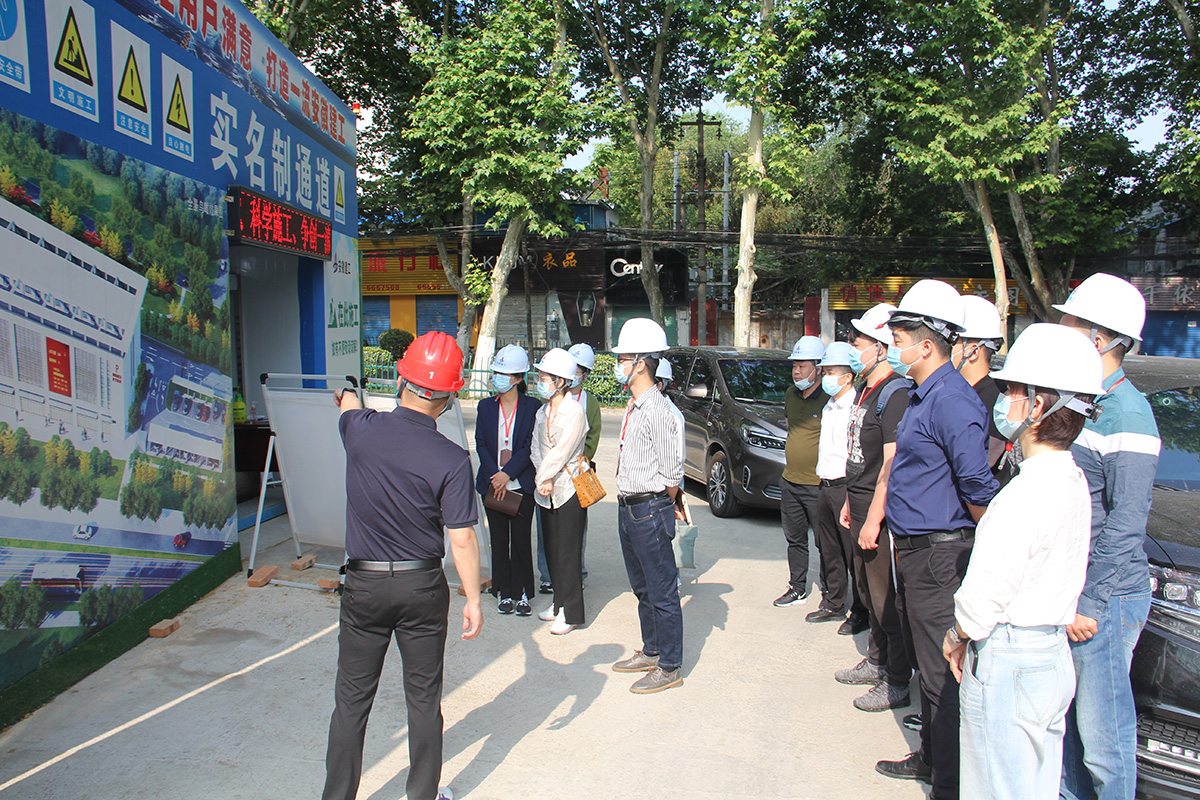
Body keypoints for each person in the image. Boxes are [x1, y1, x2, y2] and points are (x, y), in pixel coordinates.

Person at [944, 323, 1102, 800]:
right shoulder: (1072, 480)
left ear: (1037, 406)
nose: (1004, 399)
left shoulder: (1025, 492)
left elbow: (988, 590)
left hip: (1010, 659)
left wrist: (957, 636)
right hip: (1050, 657)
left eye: (1012, 390)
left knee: (996, 789)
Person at [322, 331, 482, 800]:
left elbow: (348, 406)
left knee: (351, 702)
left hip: (365, 586)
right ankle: (423, 794)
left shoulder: (360, 430)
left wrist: (347, 394)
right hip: (422, 588)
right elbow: (462, 539)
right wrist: (473, 599)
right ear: (449, 399)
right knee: (424, 699)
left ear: (399, 380)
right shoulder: (453, 458)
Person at [876, 280, 999, 798]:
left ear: (927, 345)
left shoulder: (952, 401)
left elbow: (977, 487)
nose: (894, 348)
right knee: (929, 671)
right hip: (915, 554)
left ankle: (948, 784)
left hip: (939, 556)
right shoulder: (924, 394)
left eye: (900, 339)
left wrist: (990, 549)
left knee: (941, 675)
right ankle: (931, 758)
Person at [1054, 273, 1161, 800]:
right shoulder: (1084, 401)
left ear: (1098, 339)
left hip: (1107, 597)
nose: (1061, 331)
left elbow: (1126, 522)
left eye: (1069, 323)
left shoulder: (1128, 413)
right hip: (1076, 590)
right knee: (1069, 735)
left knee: (1103, 740)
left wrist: (1090, 602)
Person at [835, 303, 913, 713]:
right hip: (860, 500)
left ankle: (896, 679)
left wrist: (874, 518)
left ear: (881, 347)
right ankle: (876, 659)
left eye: (858, 341)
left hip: (877, 509)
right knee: (865, 590)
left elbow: (890, 463)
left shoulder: (895, 393)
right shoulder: (868, 388)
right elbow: (859, 454)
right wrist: (851, 500)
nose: (852, 348)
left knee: (884, 597)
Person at [609, 318, 686, 694]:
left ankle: (669, 666)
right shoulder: (635, 405)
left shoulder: (658, 410)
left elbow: (672, 476)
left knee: (662, 590)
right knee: (642, 587)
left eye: (623, 359)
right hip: (628, 507)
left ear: (641, 363)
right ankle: (652, 649)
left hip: (649, 508)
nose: (618, 365)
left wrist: (657, 507)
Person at [806, 341, 869, 632]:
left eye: (831, 372)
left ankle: (861, 610)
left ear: (848, 376)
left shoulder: (855, 407)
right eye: (825, 371)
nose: (826, 377)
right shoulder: (829, 405)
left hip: (846, 486)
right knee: (829, 547)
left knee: (852, 553)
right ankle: (833, 602)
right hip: (825, 484)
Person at [475, 344, 540, 616]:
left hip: (520, 484)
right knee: (499, 540)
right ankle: (502, 590)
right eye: (495, 373)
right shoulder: (485, 406)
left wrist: (507, 473)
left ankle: (522, 592)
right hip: (493, 484)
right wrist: (495, 476)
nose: (496, 378)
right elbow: (481, 443)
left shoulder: (533, 407)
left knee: (521, 540)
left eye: (503, 374)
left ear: (518, 378)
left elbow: (529, 446)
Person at [530, 348, 588, 636]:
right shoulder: (542, 411)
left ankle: (572, 612)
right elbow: (536, 448)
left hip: (568, 489)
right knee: (552, 549)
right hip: (547, 490)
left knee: (568, 553)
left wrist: (545, 477)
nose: (540, 382)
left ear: (561, 381)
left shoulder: (575, 411)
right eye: (540, 377)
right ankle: (558, 603)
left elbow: (562, 451)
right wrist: (543, 480)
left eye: (545, 378)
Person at [774, 335, 828, 607]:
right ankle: (797, 588)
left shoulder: (829, 398)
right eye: (794, 365)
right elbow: (790, 425)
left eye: (802, 366)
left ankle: (831, 595)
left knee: (825, 543)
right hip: (790, 480)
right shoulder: (790, 394)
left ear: (818, 368)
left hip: (817, 485)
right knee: (795, 540)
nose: (796, 371)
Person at [953, 294, 1017, 487]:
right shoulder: (956, 393)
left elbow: (977, 471)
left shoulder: (997, 400)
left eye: (950, 340)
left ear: (973, 351)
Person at [569, 342, 602, 584]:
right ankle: (549, 575)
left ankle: (577, 571)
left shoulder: (590, 403)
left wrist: (579, 463)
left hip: (578, 474)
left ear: (586, 375)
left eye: (578, 370)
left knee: (577, 526)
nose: (573, 374)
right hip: (554, 473)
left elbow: (593, 438)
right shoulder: (551, 397)